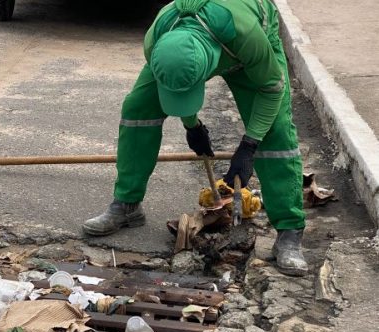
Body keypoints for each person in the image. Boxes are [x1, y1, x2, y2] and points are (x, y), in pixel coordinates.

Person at [82, 0, 308, 276]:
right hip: (196, 45)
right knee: (138, 109)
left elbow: (272, 88)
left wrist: (249, 145)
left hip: (242, 43)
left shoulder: (246, 33)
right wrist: (193, 126)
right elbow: (176, 85)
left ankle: (289, 231)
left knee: (276, 131)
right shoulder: (157, 39)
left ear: (206, 71)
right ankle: (126, 204)